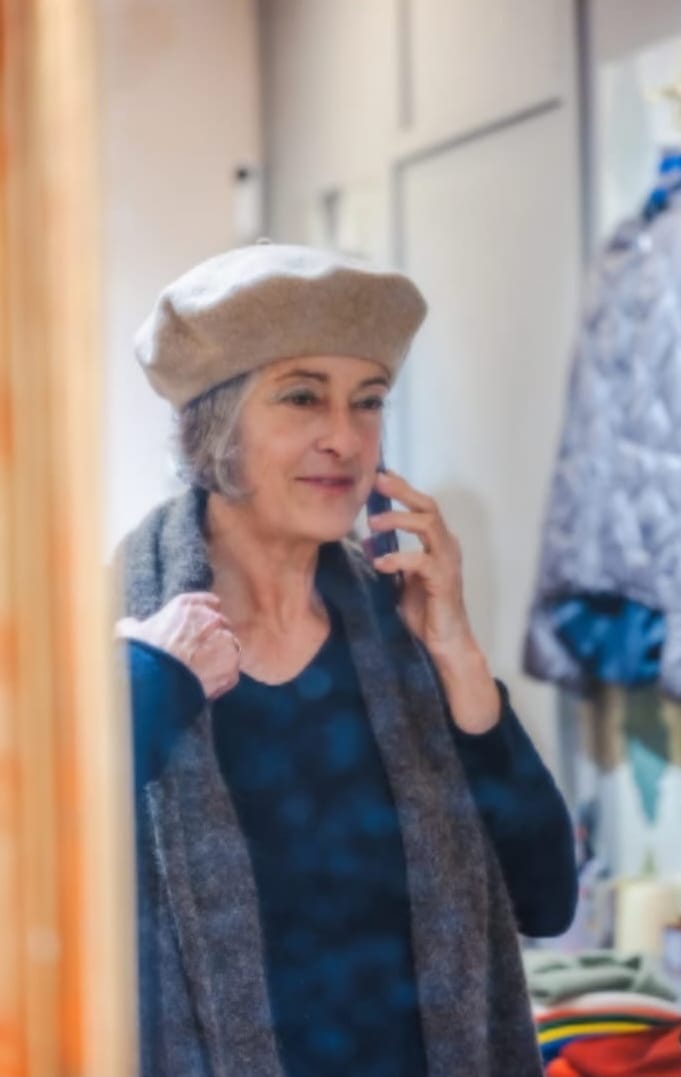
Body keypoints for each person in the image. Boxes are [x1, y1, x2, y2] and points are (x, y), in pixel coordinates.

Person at [114, 242, 578, 1077]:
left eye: (368, 401)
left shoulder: (401, 637)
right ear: (214, 424)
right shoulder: (115, 639)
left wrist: (457, 652)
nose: (344, 437)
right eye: (302, 396)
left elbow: (547, 898)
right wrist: (151, 686)